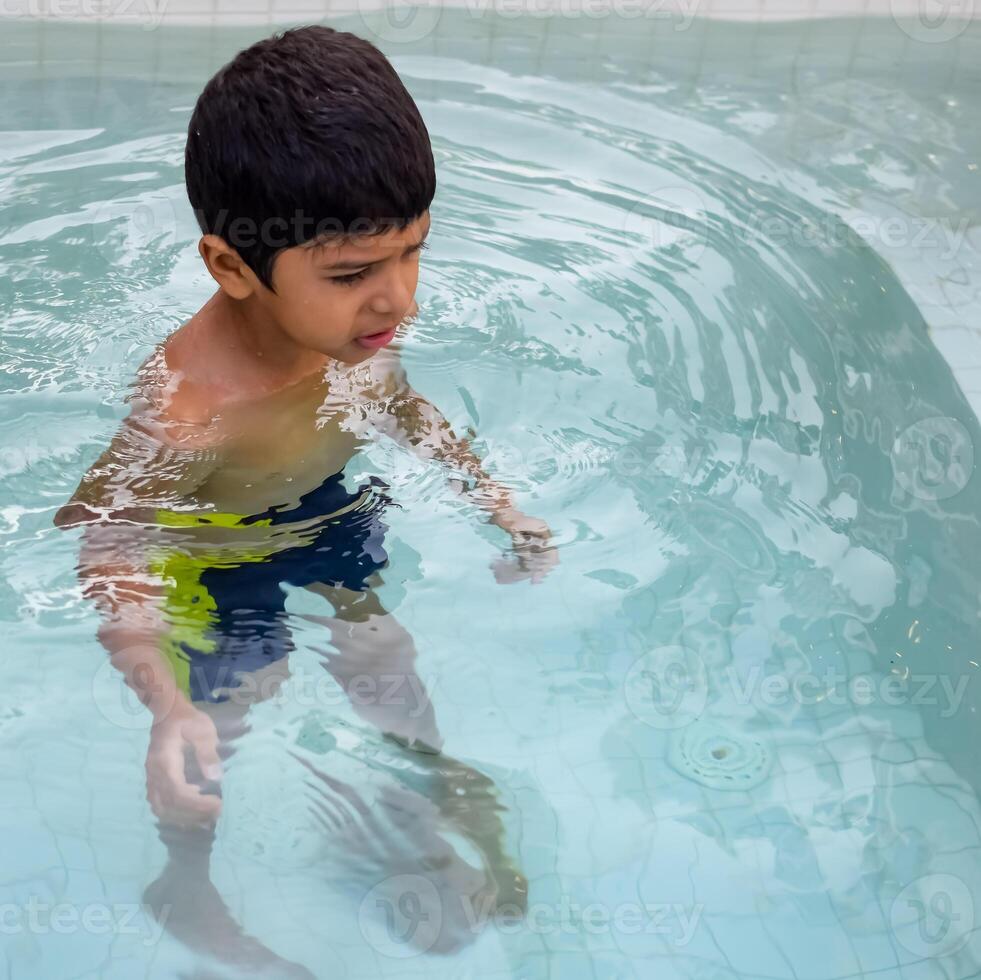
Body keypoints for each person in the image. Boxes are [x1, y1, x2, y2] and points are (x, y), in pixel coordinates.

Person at [54, 25, 557, 968]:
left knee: (384, 656)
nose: (398, 298)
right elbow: (102, 539)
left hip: (326, 511)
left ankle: (429, 781)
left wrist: (497, 502)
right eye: (355, 273)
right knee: (227, 713)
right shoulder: (193, 409)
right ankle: (186, 883)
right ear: (231, 269)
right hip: (219, 550)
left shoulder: (355, 338)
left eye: (413, 251)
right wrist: (167, 706)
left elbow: (411, 412)